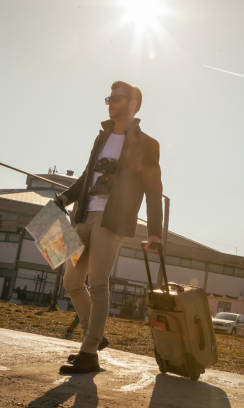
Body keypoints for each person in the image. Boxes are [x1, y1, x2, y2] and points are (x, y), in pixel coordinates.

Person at [55, 81, 163, 374]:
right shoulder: (101, 138)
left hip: (112, 220)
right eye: (108, 98)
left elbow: (154, 190)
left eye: (115, 99)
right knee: (72, 282)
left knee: (98, 281)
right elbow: (88, 176)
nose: (109, 103)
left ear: (132, 104)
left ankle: (89, 353)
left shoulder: (147, 144)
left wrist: (155, 232)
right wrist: (65, 197)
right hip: (85, 216)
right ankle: (97, 336)